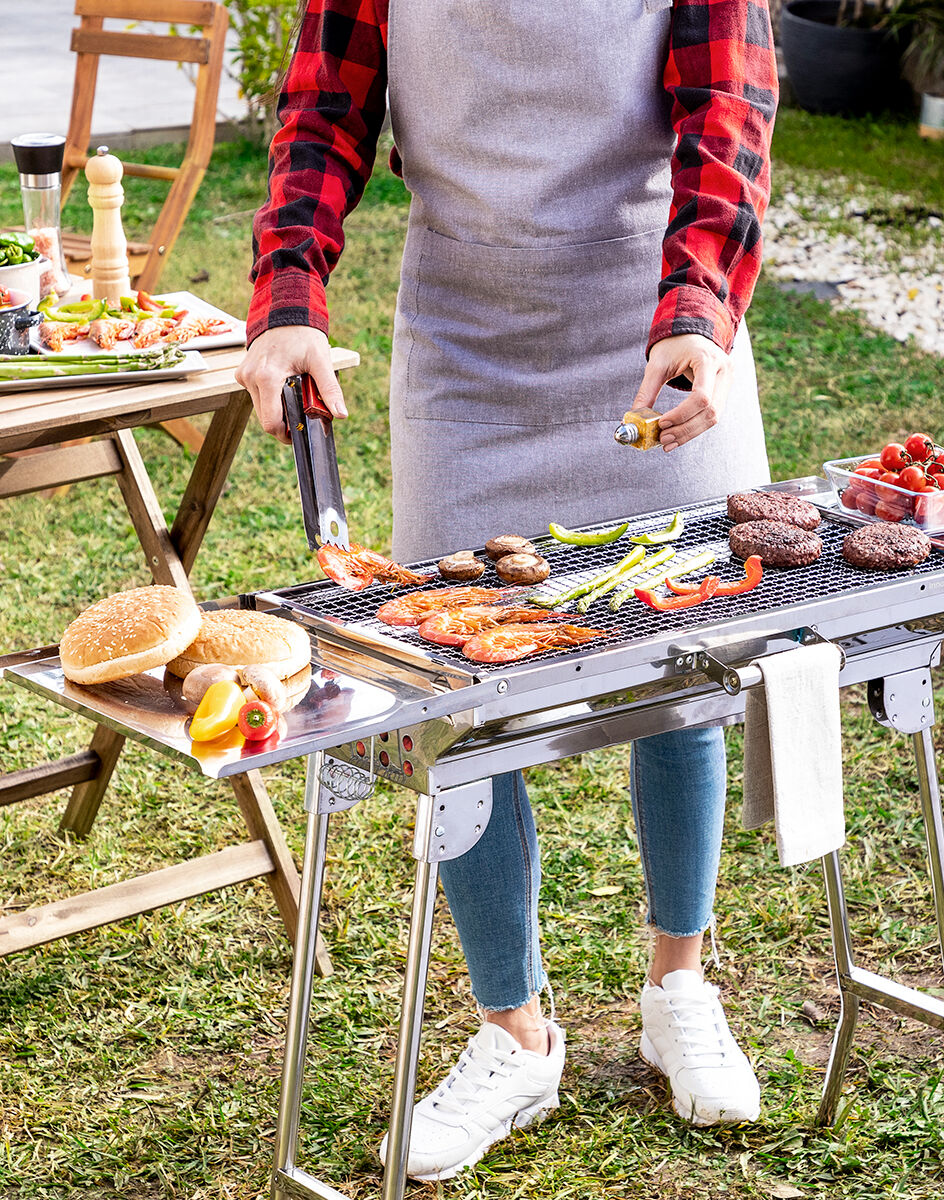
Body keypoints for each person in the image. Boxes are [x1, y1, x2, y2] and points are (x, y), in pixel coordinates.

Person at [236, 0, 778, 1180]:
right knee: (458, 697)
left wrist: (700, 312)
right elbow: (325, 107)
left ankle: (677, 986)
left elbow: (727, 114)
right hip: (465, 341)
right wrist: (287, 301)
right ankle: (513, 1032)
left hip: (649, 320)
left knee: (681, 658)